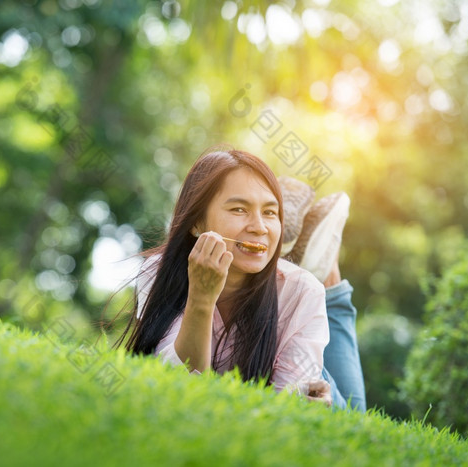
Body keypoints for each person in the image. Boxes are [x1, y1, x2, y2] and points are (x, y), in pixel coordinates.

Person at [118, 147, 365, 411]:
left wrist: (298, 400)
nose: (259, 227)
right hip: (287, 310)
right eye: (239, 209)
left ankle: (328, 276)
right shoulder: (156, 273)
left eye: (270, 212)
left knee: (351, 412)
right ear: (196, 222)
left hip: (301, 323)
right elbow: (177, 381)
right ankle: (314, 267)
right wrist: (201, 298)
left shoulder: (302, 290)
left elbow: (288, 407)